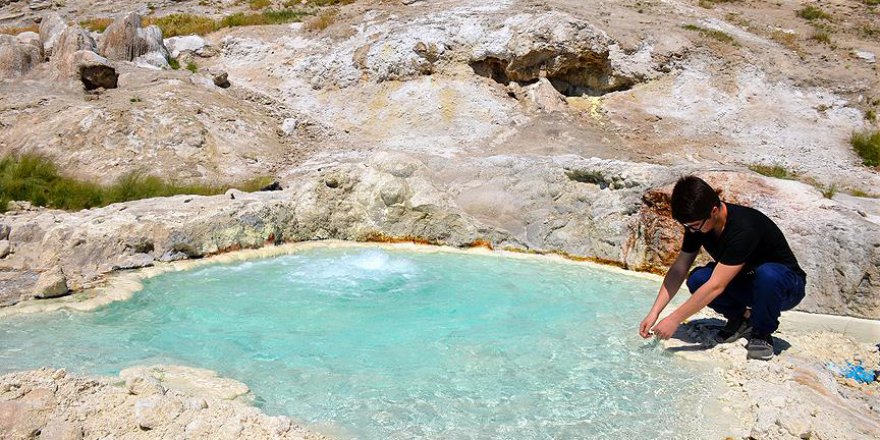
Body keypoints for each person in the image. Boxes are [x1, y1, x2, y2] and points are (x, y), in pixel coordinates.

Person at [637, 176, 807, 360]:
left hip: (785, 287)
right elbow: (679, 268)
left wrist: (675, 319)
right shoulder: (698, 224)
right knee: (698, 278)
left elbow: (717, 285)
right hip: (749, 282)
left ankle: (761, 333)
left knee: (768, 275)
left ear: (714, 211)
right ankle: (742, 319)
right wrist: (655, 312)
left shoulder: (744, 228)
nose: (691, 230)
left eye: (694, 226)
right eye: (688, 226)